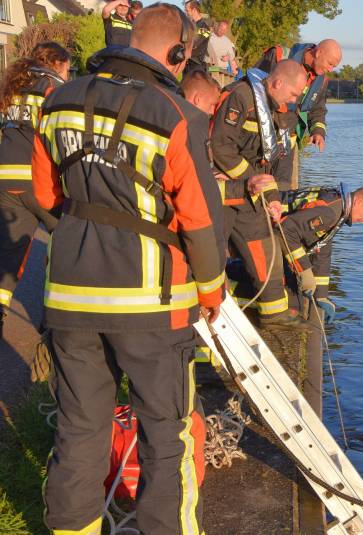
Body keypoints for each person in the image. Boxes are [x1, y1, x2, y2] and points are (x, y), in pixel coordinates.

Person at [31, 4, 226, 534]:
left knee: (79, 429)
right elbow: (201, 224)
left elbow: (46, 196)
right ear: (179, 52)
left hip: (70, 298)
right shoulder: (177, 115)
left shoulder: (57, 102)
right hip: (151, 306)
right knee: (167, 437)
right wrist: (212, 294)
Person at [210, 59, 306, 326]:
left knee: (264, 243)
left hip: (249, 191)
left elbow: (271, 161)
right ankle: (213, 316)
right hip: (224, 190)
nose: (294, 99)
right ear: (277, 83)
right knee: (212, 252)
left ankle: (273, 312)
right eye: (293, 93)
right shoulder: (241, 97)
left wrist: (273, 198)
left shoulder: (278, 107)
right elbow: (220, 148)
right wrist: (251, 179)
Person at [0, 42, 70, 337]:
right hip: (39, 180)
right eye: (67, 68)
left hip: (5, 178)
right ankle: (55, 320)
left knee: (7, 254)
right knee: (65, 243)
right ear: (57, 64)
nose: (68, 74)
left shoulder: (12, 85)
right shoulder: (54, 86)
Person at [280, 185, 363, 325]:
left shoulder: (338, 205)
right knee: (287, 300)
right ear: (358, 201)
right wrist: (304, 270)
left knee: (295, 300)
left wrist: (321, 296)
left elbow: (322, 250)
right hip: (264, 226)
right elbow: (286, 230)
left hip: (274, 229)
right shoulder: (330, 212)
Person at [255, 39, 342, 190]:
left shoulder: (322, 80)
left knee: (282, 189)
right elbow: (254, 85)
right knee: (256, 183)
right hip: (260, 134)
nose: (331, 69)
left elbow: (318, 110)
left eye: (334, 66)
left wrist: (318, 132)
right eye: (330, 63)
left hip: (287, 140)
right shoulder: (279, 55)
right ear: (319, 52)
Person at [184, 0, 211, 72]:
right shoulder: (189, 26)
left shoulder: (205, 28)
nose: (186, 13)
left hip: (196, 66)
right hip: (186, 63)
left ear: (194, 10)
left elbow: (194, 44)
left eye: (187, 11)